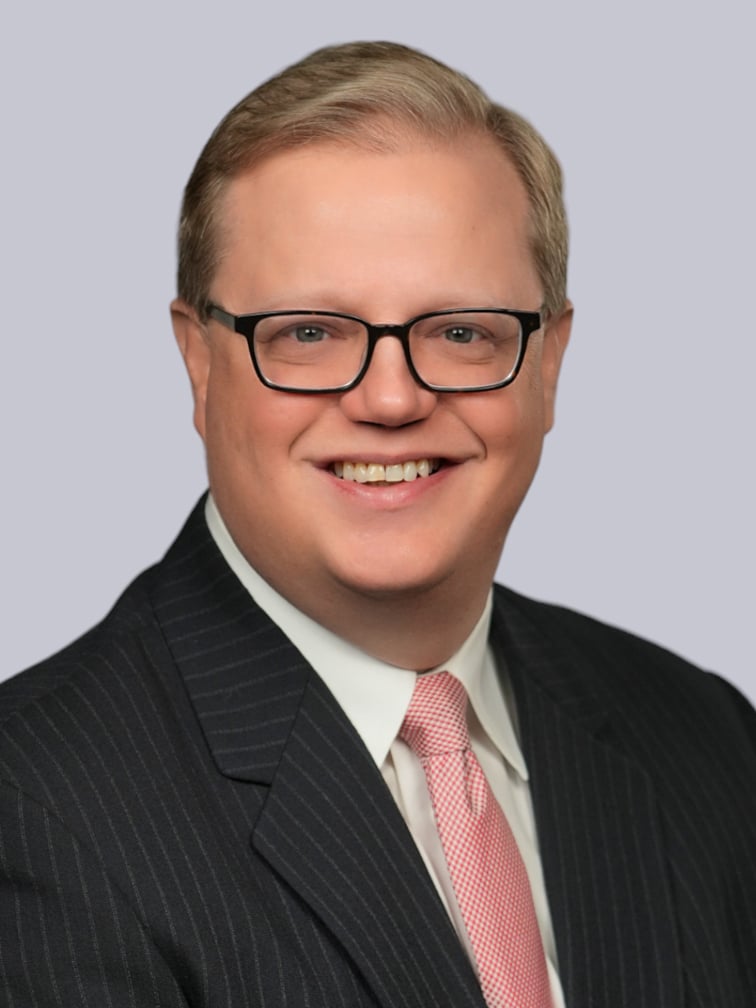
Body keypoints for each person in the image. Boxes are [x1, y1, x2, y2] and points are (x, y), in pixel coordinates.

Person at [1, 41, 753, 1008]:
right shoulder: (35, 809)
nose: (391, 399)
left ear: (549, 363)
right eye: (309, 333)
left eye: (461, 332)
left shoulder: (706, 736)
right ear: (199, 362)